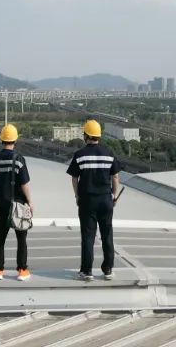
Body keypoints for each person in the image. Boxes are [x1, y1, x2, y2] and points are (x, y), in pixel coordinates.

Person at [67, 119, 122, 281]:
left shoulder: (80, 155)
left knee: (88, 236)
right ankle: (108, 270)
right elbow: (115, 176)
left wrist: (77, 196)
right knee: (107, 235)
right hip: (106, 200)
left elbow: (74, 178)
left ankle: (87, 271)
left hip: (87, 201)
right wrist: (114, 195)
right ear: (99, 135)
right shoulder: (109, 153)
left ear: (86, 135)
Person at [0, 123, 35, 281]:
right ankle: (22, 270)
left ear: (1, 139)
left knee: (0, 239)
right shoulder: (19, 159)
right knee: (21, 239)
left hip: (2, 204)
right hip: (18, 205)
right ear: (15, 140)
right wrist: (30, 202)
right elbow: (24, 184)